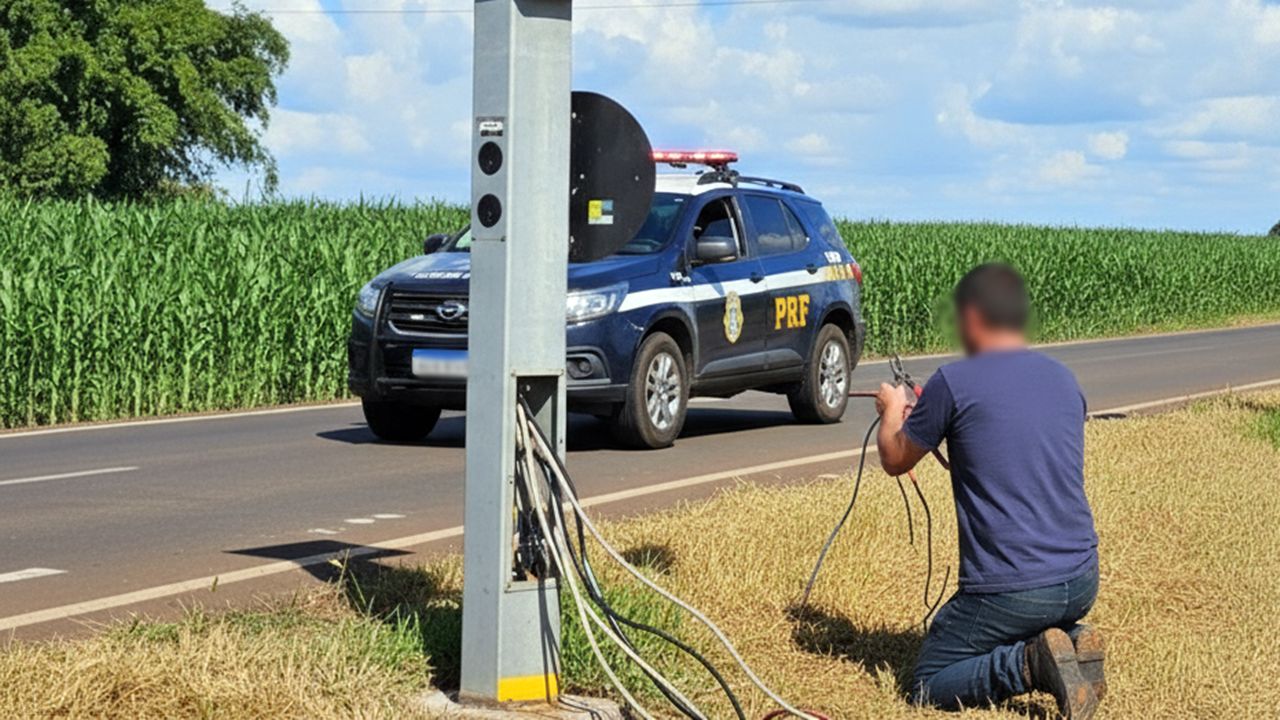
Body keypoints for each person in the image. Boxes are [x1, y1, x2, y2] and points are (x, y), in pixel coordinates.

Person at [874, 263, 1104, 719]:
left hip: (1013, 588)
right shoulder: (1063, 379)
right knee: (1033, 616)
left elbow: (895, 458)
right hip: (1081, 580)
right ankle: (1074, 641)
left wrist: (891, 411)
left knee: (927, 681)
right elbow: (1007, 442)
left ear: (973, 317)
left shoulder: (952, 382)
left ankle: (1029, 664)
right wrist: (934, 419)